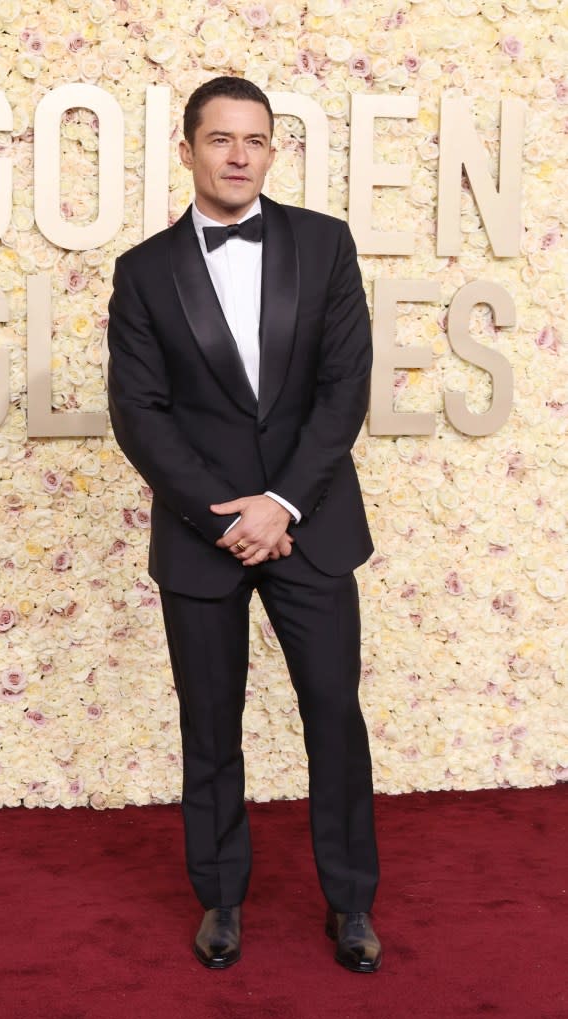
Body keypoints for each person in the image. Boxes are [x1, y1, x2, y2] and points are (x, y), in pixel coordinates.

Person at [106, 75, 381, 973]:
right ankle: (219, 899)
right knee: (209, 725)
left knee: (334, 719)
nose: (237, 155)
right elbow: (139, 412)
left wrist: (282, 504)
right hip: (202, 535)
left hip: (311, 522)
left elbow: (343, 391)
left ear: (271, 150)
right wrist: (224, 517)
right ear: (186, 150)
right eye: (219, 139)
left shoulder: (326, 245)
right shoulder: (143, 270)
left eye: (254, 140)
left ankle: (350, 905)